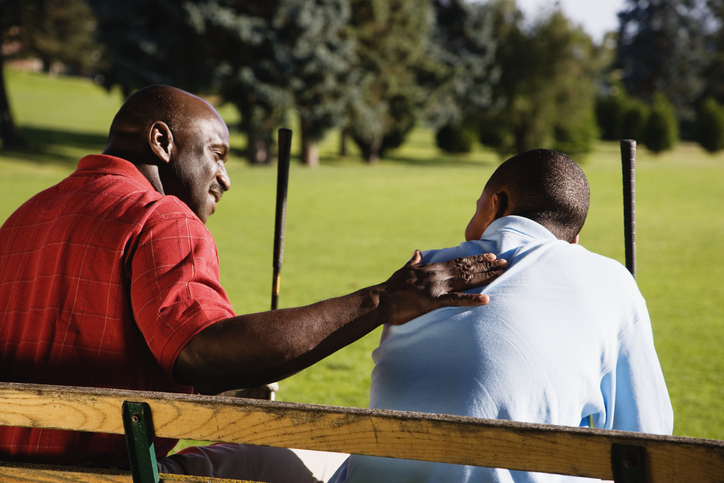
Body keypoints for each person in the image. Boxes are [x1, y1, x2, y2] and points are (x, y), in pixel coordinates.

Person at [0, 85, 507, 482]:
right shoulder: (160, 218)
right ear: (161, 141)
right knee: (321, 463)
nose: (225, 177)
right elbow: (201, 353)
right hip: (114, 477)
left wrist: (230, 381)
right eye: (216, 155)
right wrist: (382, 300)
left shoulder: (22, 218)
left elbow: (86, 348)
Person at [330, 149, 674, 483]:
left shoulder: (422, 275)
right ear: (573, 240)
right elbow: (648, 437)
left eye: (476, 206)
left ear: (497, 203)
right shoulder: (611, 281)